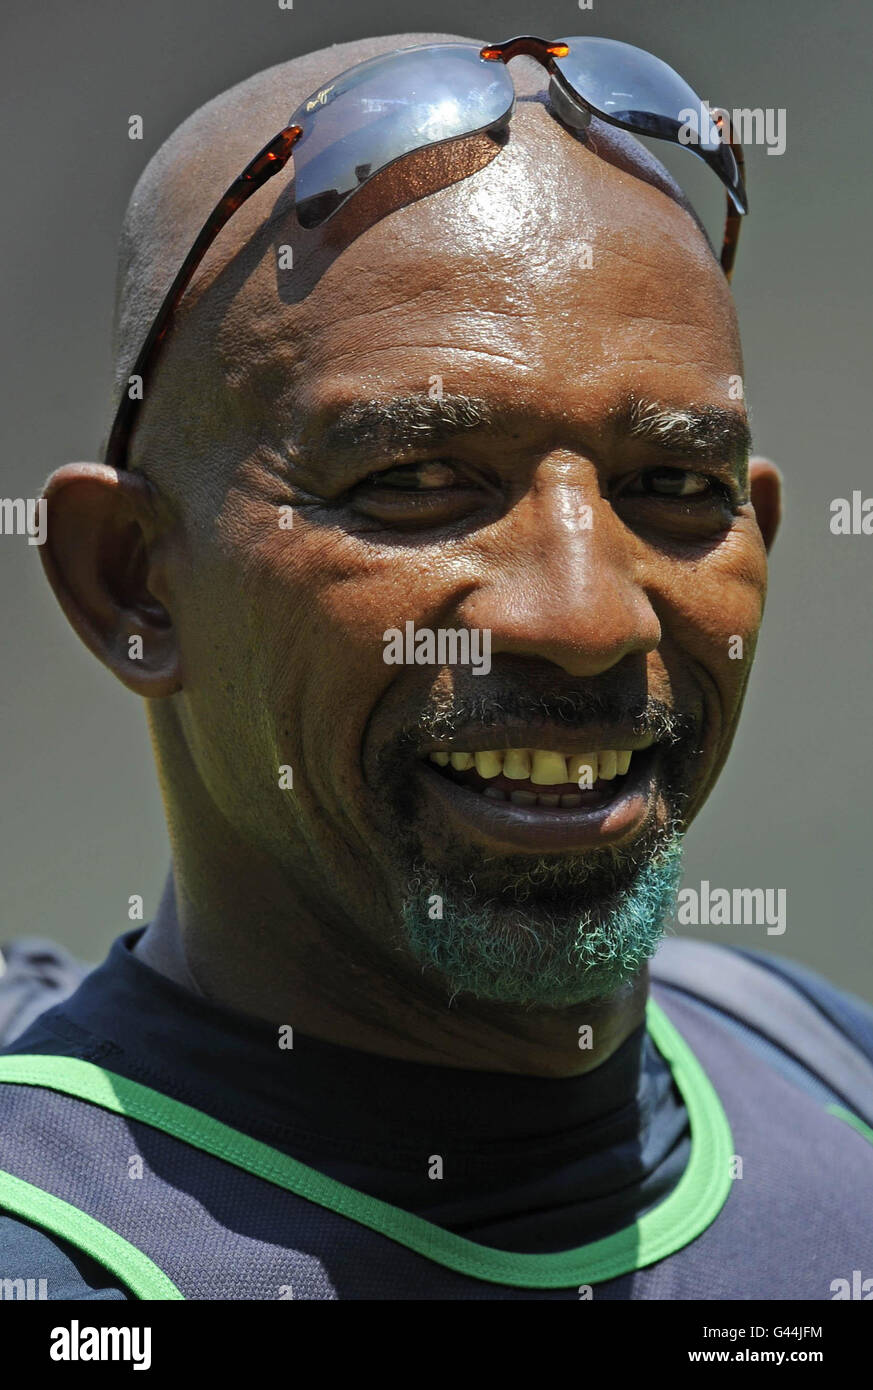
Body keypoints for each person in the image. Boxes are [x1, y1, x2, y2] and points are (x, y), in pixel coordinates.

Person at [1, 30, 871, 1302]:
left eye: (676, 487)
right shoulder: (62, 1261)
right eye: (414, 483)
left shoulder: (821, 1069)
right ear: (131, 582)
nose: (586, 617)